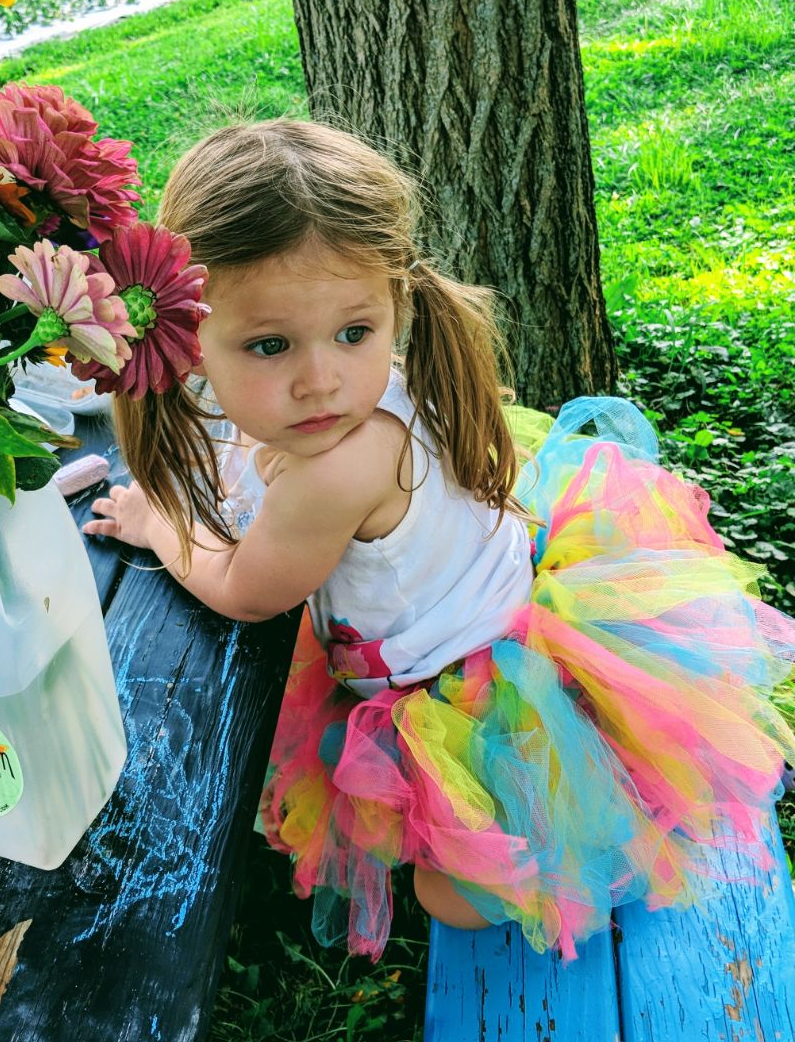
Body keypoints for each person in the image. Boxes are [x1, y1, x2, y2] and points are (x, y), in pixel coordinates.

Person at [83, 119, 795, 962]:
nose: (321, 379)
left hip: (481, 697)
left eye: (354, 332)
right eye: (269, 346)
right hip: (500, 595)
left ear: (395, 304)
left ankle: (592, 840)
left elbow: (246, 592)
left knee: (446, 895)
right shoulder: (385, 385)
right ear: (189, 335)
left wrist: (155, 524)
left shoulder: (335, 469)